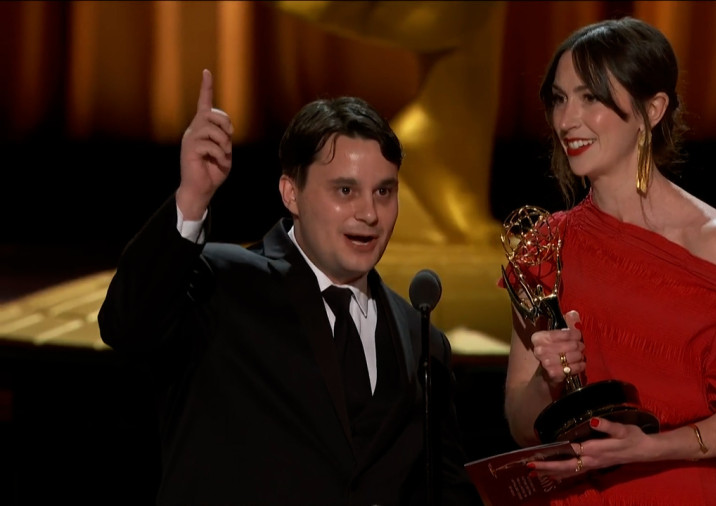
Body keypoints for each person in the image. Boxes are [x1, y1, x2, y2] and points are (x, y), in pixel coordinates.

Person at [98, 69, 482, 505]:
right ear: (290, 193)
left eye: (384, 192)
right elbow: (125, 325)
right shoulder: (222, 284)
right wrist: (192, 196)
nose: (369, 214)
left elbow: (446, 490)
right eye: (345, 190)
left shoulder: (421, 338)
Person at [502, 17, 716, 505]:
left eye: (590, 97)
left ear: (652, 109)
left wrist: (652, 448)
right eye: (559, 98)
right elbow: (520, 425)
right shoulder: (544, 247)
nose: (566, 119)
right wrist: (545, 379)